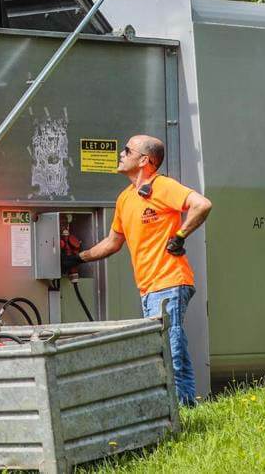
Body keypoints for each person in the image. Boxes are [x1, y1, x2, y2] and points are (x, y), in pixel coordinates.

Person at [65, 134, 212, 406]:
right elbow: (112, 242)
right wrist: (77, 258)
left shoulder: (163, 186)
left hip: (170, 281)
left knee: (169, 348)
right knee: (174, 346)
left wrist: (180, 235)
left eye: (127, 150)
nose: (121, 153)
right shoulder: (125, 198)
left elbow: (202, 205)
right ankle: (188, 408)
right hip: (149, 287)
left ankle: (177, 412)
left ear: (145, 160)